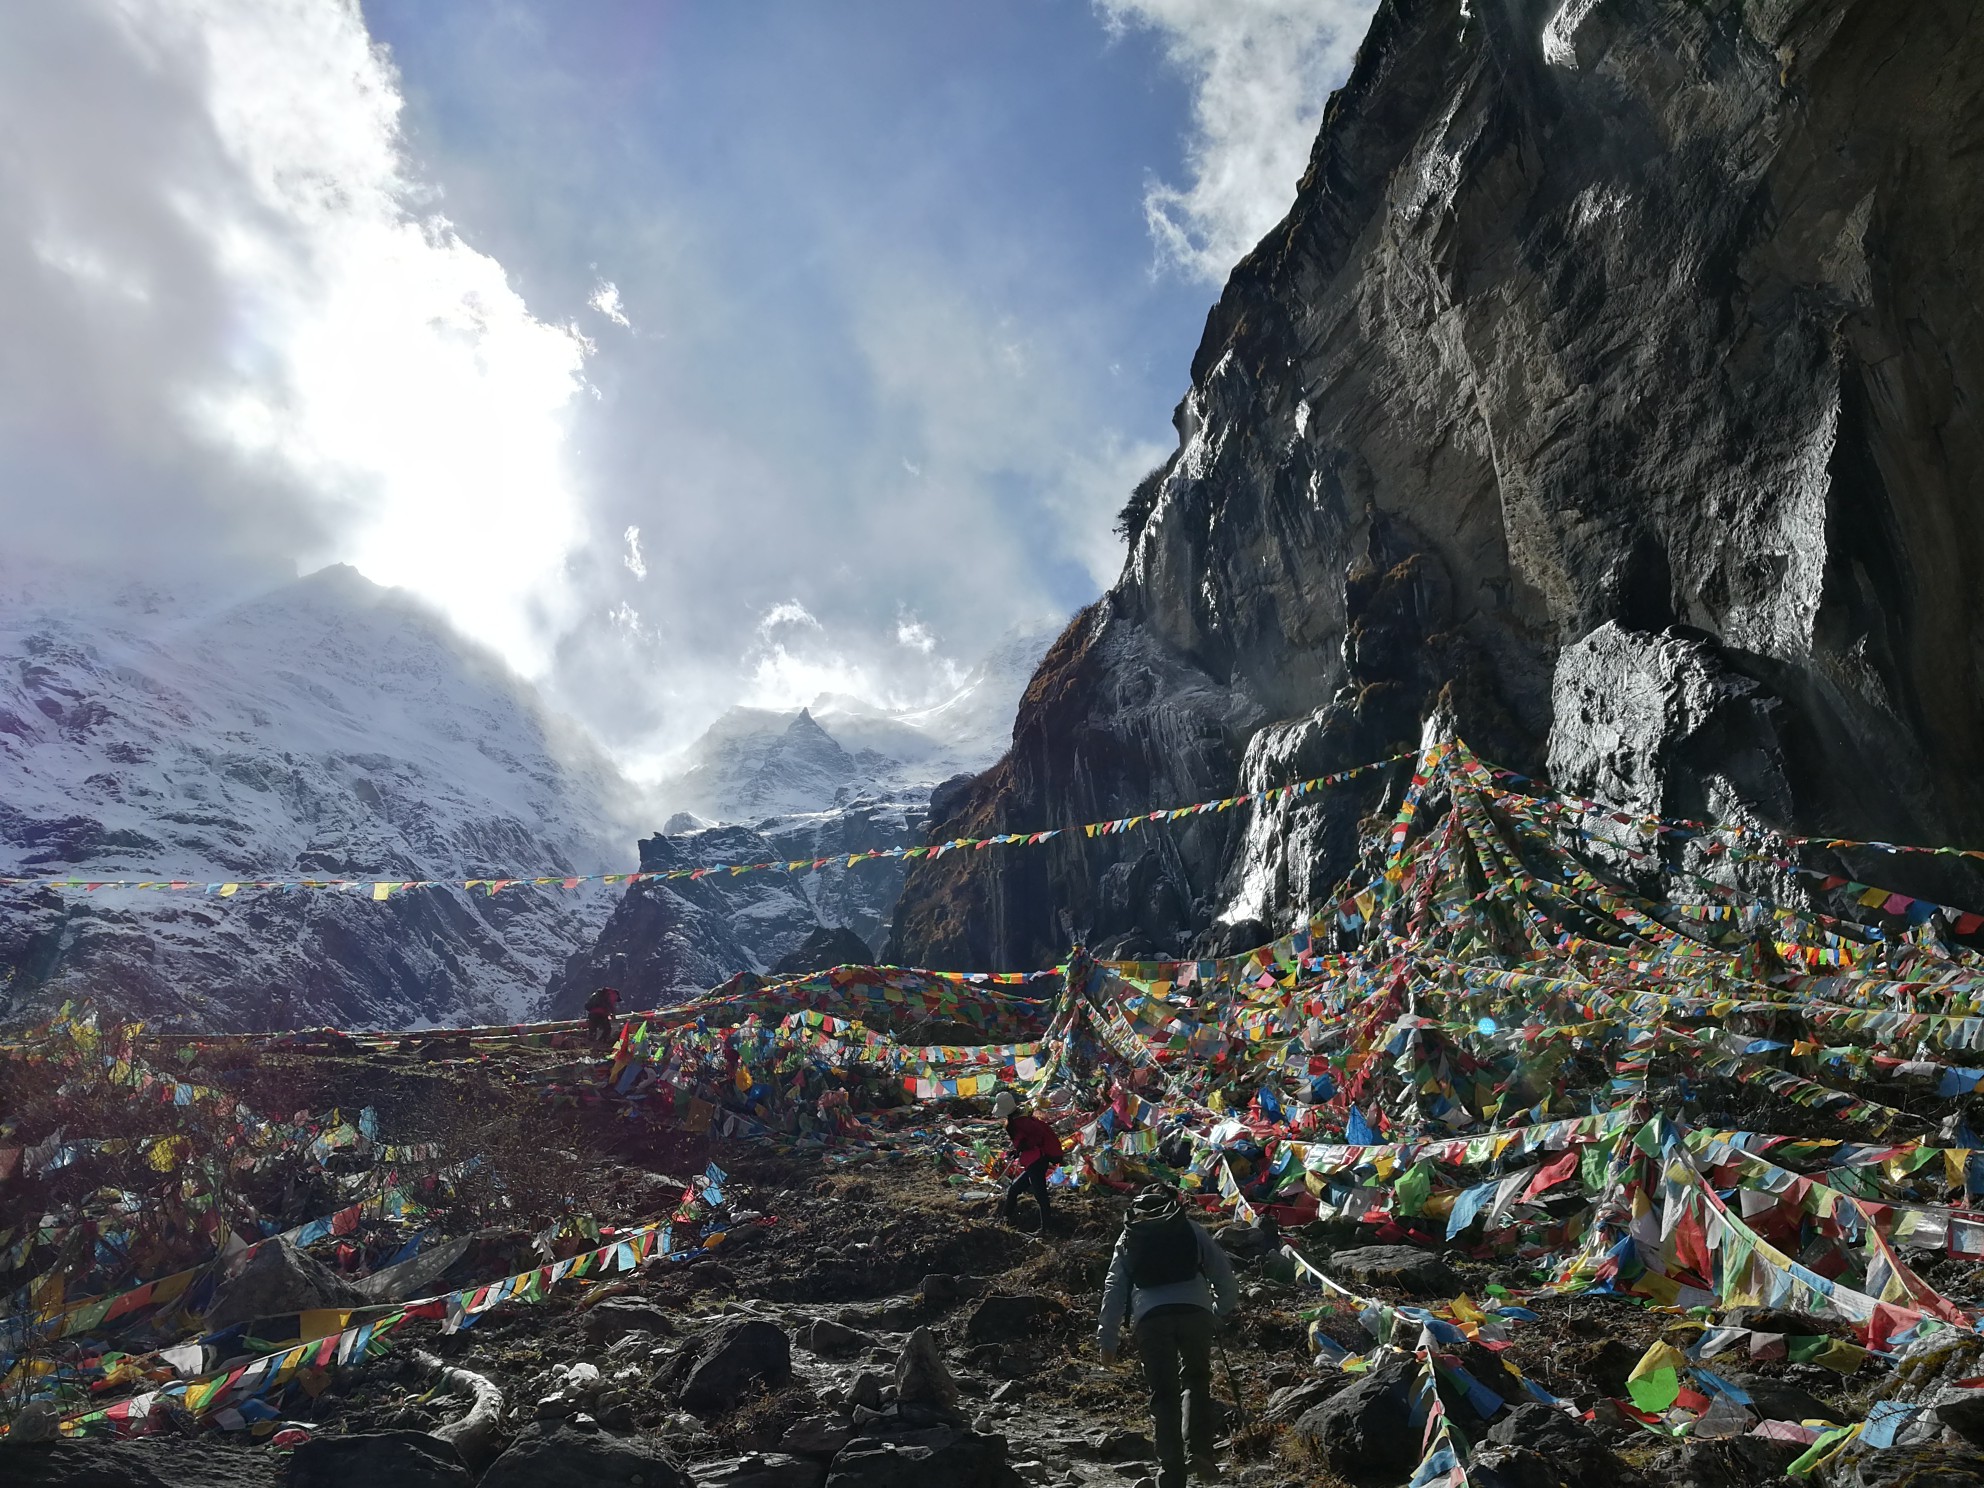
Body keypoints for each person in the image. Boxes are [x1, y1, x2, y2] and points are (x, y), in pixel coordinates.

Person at [1097, 1184, 1239, 1488]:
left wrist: (1107, 1340)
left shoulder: (1129, 1236)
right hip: (1195, 1311)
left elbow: (1114, 1288)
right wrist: (1218, 1310)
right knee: (1197, 1380)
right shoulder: (1190, 1228)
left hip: (1150, 1317)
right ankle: (1199, 1451)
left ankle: (1171, 1473)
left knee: (1163, 1393)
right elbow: (1223, 1273)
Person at [992, 1090, 1062, 1231]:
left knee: (1040, 1195)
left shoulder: (1020, 1122)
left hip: (1036, 1161)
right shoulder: (1018, 1120)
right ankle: (1004, 1220)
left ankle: (1046, 1229)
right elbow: (1027, 1140)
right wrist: (1017, 1151)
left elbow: (1036, 1138)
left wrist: (1024, 1146)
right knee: (1013, 1190)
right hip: (1033, 1161)